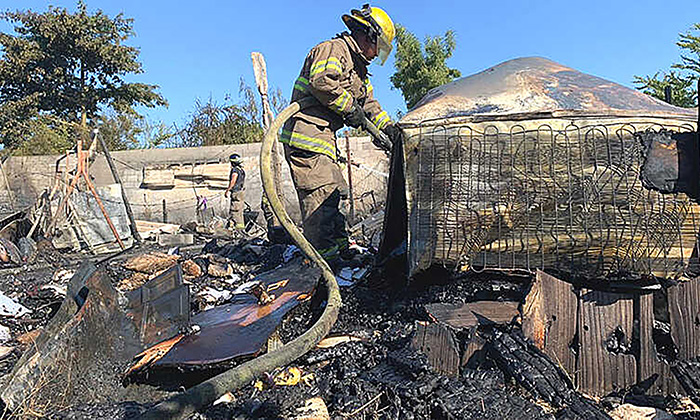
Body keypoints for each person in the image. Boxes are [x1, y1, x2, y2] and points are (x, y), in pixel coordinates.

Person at [281, 4, 399, 263]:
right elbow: (322, 81)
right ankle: (324, 265)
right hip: (307, 134)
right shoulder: (334, 49)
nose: (377, 52)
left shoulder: (359, 71)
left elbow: (369, 106)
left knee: (334, 195)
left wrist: (389, 129)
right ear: (368, 34)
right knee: (320, 198)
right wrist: (349, 109)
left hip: (323, 138)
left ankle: (342, 252)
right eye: (378, 45)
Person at [224, 153, 246, 231]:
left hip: (236, 192)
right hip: (241, 192)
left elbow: (233, 181)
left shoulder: (235, 170)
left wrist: (227, 190)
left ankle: (238, 231)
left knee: (235, 211)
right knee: (239, 211)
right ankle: (237, 228)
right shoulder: (242, 170)